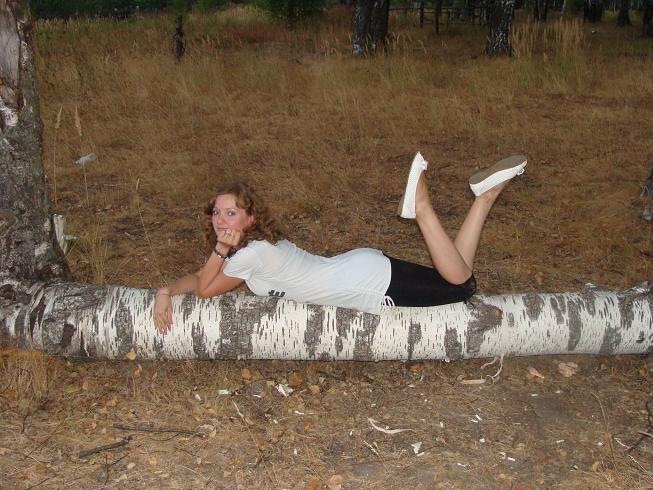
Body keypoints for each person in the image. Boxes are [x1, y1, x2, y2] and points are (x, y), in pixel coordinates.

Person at [153, 153, 527, 334]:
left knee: (462, 287)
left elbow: (205, 289)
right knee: (455, 274)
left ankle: (423, 209)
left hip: (369, 284)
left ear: (250, 219)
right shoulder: (254, 248)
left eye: (231, 213)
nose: (221, 220)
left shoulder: (253, 254)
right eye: (217, 213)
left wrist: (219, 250)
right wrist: (165, 290)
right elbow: (199, 277)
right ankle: (485, 198)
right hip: (363, 268)